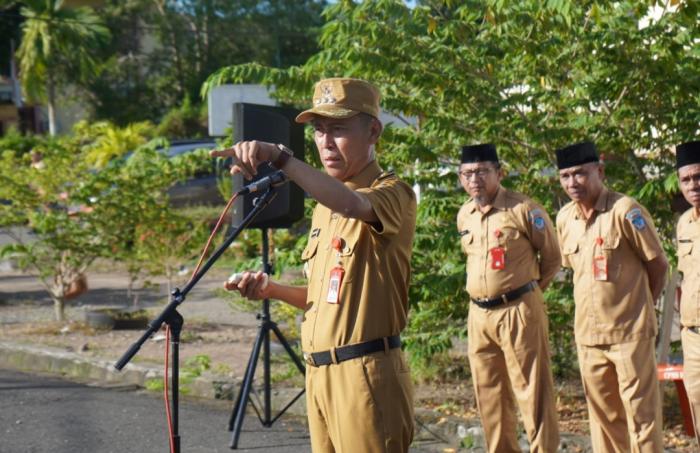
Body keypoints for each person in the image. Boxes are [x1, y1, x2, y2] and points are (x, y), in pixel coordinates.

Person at [212, 77, 416, 453]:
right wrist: (270, 289)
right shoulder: (324, 207)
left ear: (373, 131)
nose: (325, 142)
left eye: (338, 129)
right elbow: (323, 299)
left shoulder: (393, 193)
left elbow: (354, 206)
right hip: (320, 375)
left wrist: (282, 157)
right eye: (319, 130)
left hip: (366, 374)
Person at [555, 141, 668, 452]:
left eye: (579, 174)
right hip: (589, 336)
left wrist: (643, 309)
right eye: (565, 176)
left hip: (629, 335)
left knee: (641, 419)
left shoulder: (625, 211)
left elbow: (658, 265)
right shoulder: (565, 218)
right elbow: (578, 273)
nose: (572, 183)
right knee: (603, 421)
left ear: (599, 171)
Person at [456, 144, 560, 452]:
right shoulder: (465, 215)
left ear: (499, 173)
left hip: (519, 310)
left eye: (482, 172)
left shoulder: (524, 209)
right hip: (479, 316)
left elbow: (552, 258)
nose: (475, 179)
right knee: (489, 395)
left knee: (533, 393)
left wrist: (528, 292)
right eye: (467, 173)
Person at [674, 139, 700, 446]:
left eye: (698, 177)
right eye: (686, 179)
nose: (692, 185)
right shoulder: (684, 223)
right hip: (693, 336)